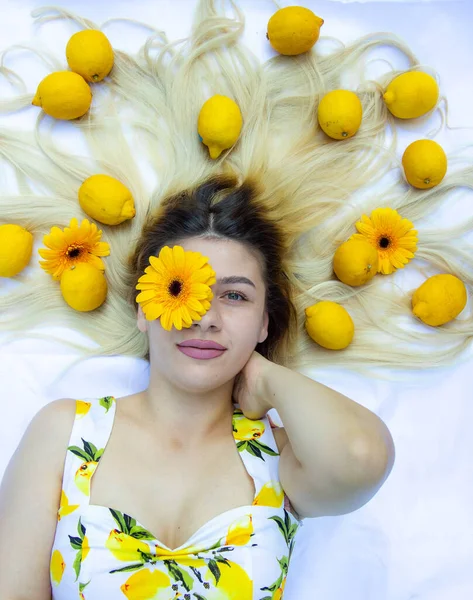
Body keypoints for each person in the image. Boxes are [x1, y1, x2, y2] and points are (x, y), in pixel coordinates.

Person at [0, 0, 470, 598]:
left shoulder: (283, 457)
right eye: (180, 287)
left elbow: (359, 455)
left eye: (236, 296)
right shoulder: (65, 432)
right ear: (145, 307)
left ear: (265, 321)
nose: (205, 314)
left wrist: (267, 380)